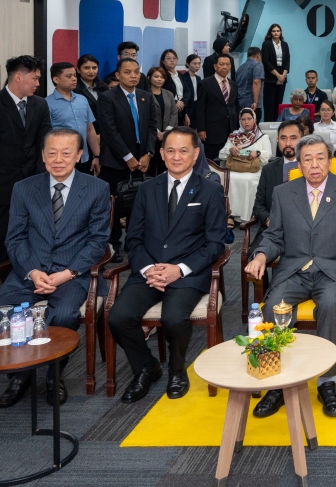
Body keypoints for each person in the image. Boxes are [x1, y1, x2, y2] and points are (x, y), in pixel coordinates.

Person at [245, 134, 336, 419]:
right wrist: (261, 255)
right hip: (294, 270)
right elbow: (274, 236)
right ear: (299, 164)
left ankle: (327, 382)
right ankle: (278, 384)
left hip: (332, 270)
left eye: (320, 158)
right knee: (273, 306)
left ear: (329, 161)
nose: (314, 165)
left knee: (330, 304)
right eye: (307, 159)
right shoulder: (283, 193)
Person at [107, 126, 226, 403]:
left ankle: (177, 369)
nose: (176, 156)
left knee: (173, 318)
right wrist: (148, 269)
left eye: (184, 151)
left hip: (187, 274)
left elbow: (215, 244)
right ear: (161, 153)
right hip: (149, 272)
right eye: (170, 150)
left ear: (195, 154)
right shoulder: (147, 189)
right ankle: (146, 367)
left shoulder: (210, 191)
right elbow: (133, 238)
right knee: (118, 317)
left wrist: (179, 269)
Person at [0, 128, 110, 408]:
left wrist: (68, 273)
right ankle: (20, 375)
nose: (58, 159)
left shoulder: (97, 188)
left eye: (66, 153)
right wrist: (32, 271)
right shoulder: (24, 188)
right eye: (52, 153)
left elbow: (98, 242)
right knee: (8, 310)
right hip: (29, 271)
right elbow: (15, 238)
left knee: (62, 315)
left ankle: (54, 375)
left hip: (71, 274)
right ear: (43, 155)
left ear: (79, 155)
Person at [97, 57, 158, 263]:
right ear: (118, 75)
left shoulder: (145, 96)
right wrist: (128, 156)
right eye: (127, 72)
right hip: (115, 161)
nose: (133, 76)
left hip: (142, 160)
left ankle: (134, 242)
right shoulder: (107, 98)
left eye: (136, 72)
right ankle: (113, 244)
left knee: (138, 202)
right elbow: (109, 131)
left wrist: (148, 154)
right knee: (114, 204)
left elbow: (152, 127)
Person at [249, 120, 303, 261]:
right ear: (277, 139)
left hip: (303, 231)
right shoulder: (269, 170)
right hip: (272, 229)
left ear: (302, 139)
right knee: (254, 258)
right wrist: (269, 220)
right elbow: (258, 206)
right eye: (283, 138)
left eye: (293, 138)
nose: (288, 143)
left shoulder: (310, 168)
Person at [219, 107, 272, 225]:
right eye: (243, 119)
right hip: (236, 167)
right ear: (239, 121)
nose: (246, 122)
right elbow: (221, 154)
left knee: (247, 180)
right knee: (229, 178)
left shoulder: (262, 137)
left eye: (249, 119)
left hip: (254, 170)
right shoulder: (234, 136)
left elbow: (268, 155)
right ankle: (229, 215)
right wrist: (230, 150)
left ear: (254, 120)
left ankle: (246, 216)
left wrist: (257, 153)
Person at [46, 62, 100, 176]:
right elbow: (46, 136)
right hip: (61, 160)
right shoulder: (47, 103)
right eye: (69, 76)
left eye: (75, 75)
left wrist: (97, 155)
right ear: (56, 79)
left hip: (84, 158)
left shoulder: (82, 100)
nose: (74, 79)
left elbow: (90, 130)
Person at [195, 53, 240, 161]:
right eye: (221, 64)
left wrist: (239, 128)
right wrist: (201, 129)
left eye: (227, 64)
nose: (225, 67)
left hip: (231, 129)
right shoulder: (205, 83)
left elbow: (236, 106)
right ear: (215, 66)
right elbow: (200, 108)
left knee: (230, 161)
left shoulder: (233, 84)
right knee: (213, 162)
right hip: (213, 130)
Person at [147, 66, 178, 175]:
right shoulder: (144, 94)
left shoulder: (169, 94)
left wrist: (166, 132)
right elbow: (145, 115)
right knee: (150, 168)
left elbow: (174, 113)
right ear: (149, 78)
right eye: (156, 76)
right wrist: (156, 132)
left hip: (167, 137)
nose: (159, 79)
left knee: (164, 166)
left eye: (162, 77)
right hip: (150, 136)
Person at [261, 24, 290, 120]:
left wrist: (283, 76)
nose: (276, 33)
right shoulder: (266, 44)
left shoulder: (285, 44)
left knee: (278, 104)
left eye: (278, 31)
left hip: (282, 77)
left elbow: (287, 61)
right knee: (269, 105)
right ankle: (268, 125)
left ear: (280, 32)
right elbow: (266, 61)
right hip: (271, 77)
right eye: (274, 31)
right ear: (270, 33)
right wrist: (278, 76)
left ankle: (278, 124)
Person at [75, 54, 109, 121]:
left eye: (94, 68)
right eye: (87, 68)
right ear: (78, 70)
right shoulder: (75, 89)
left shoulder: (104, 87)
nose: (91, 71)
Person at [158, 49, 187, 125]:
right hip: (168, 110)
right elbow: (160, 92)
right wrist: (175, 102)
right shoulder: (161, 76)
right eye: (168, 58)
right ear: (163, 61)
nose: (172, 60)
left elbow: (187, 91)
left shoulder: (180, 75)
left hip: (181, 109)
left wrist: (182, 102)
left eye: (174, 58)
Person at [236, 46, 264, 119]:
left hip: (240, 101)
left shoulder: (240, 67)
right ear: (258, 55)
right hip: (252, 103)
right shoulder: (258, 65)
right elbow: (256, 82)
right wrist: (255, 102)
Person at [180, 54, 201, 126]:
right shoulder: (183, 77)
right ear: (187, 64)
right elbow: (183, 95)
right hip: (187, 107)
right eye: (194, 63)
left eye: (199, 63)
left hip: (196, 107)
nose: (197, 66)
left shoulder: (198, 78)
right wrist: (185, 114)